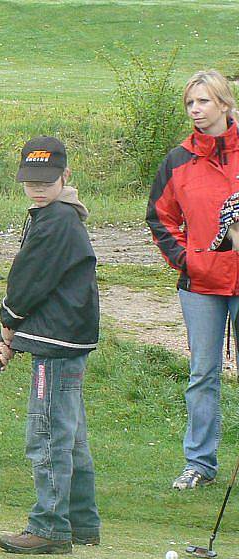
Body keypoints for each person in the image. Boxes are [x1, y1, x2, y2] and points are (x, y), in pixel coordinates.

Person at [0, 136, 100, 555]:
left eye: (46, 179)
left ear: (65, 176)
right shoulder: (57, 215)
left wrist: (8, 328)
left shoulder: (56, 220)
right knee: (70, 435)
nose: (37, 187)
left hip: (57, 340)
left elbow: (27, 282)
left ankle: (50, 527)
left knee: (48, 433)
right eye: (30, 180)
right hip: (66, 335)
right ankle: (81, 522)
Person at [147, 70, 239, 490]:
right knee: (203, 373)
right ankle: (199, 462)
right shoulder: (178, 160)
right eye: (190, 103)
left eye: (203, 102)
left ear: (224, 104)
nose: (196, 111)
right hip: (201, 286)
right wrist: (187, 259)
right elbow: (160, 217)